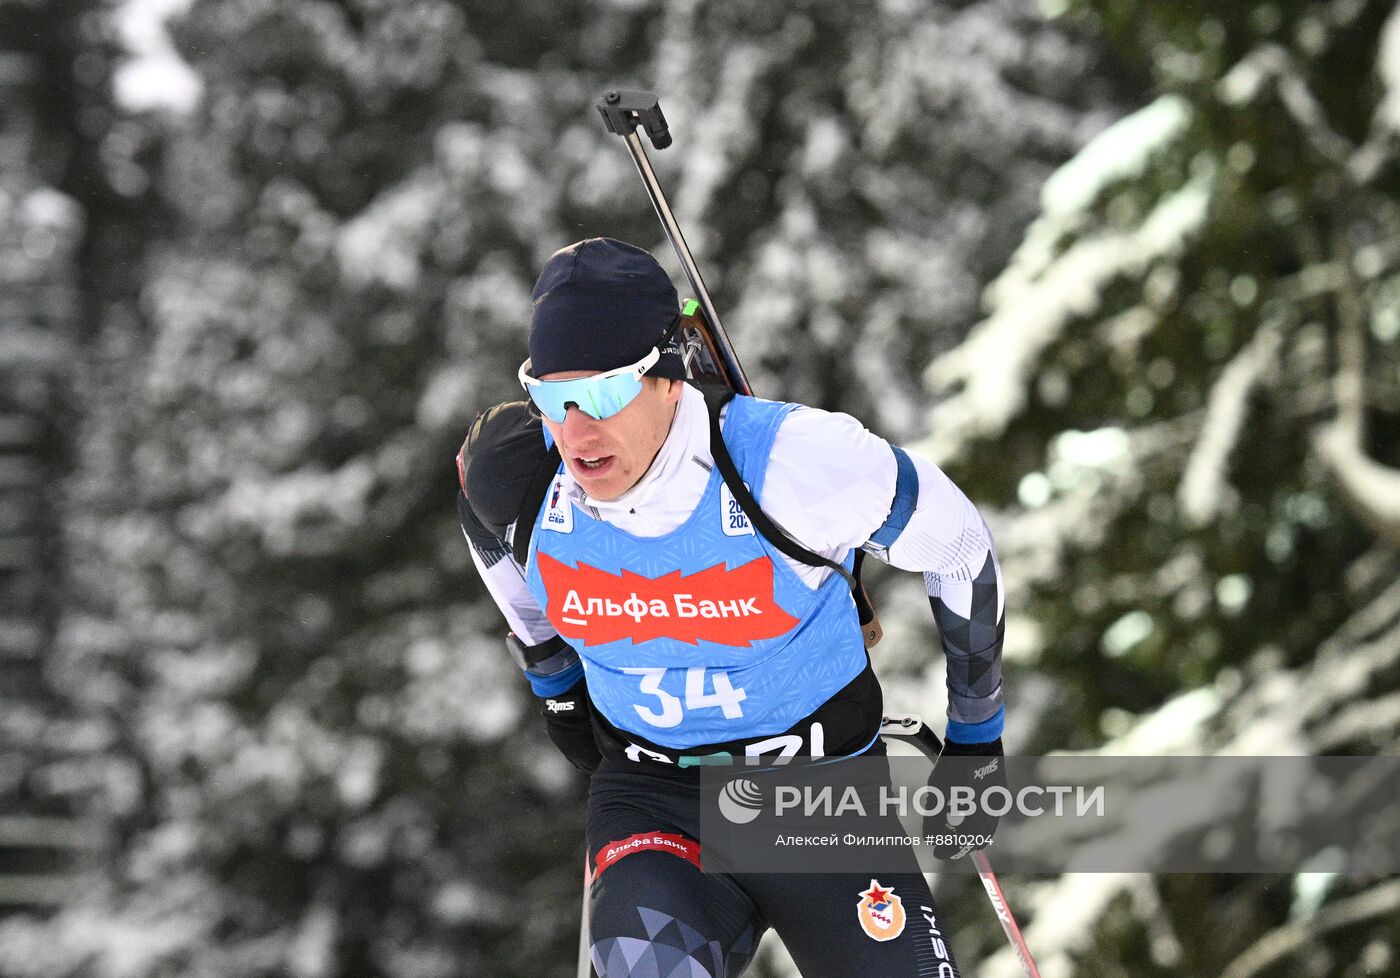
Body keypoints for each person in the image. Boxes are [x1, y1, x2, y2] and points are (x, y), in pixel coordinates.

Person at [457, 237, 1007, 977]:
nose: (577, 431)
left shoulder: (793, 465)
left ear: (668, 377)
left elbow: (959, 546)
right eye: (553, 397)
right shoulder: (525, 482)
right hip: (654, 801)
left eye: (606, 392)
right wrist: (555, 683)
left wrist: (978, 736)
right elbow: (486, 529)